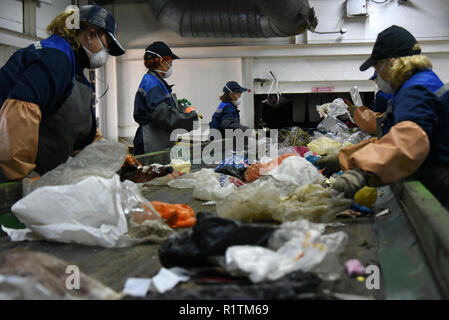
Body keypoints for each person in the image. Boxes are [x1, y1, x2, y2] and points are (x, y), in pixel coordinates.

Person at [316, 25, 449, 209]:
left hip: (440, 186)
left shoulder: (415, 90)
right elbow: (391, 139)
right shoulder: (423, 82)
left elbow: (406, 143)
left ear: (392, 62)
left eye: (378, 67)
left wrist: (360, 172)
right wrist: (344, 158)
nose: (377, 75)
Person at [0, 5, 125, 182]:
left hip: (45, 175)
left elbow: (79, 129)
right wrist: (25, 179)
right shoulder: (53, 59)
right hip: (10, 179)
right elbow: (19, 118)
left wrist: (110, 157)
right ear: (90, 35)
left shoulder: (76, 71)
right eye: (107, 45)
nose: (107, 55)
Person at [133, 41, 199, 155]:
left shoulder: (154, 81)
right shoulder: (152, 83)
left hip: (156, 140)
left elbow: (159, 109)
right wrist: (191, 117)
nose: (171, 65)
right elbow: (163, 116)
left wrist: (177, 107)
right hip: (151, 142)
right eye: (170, 61)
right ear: (162, 61)